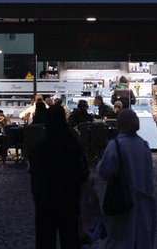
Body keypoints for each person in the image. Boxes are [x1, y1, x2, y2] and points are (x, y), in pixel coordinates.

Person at [29, 104, 90, 248]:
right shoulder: (72, 144)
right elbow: (82, 172)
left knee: (45, 239)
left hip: (45, 199)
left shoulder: (40, 147)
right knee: (70, 238)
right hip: (69, 198)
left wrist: (38, 197)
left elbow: (34, 175)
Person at [97, 108, 156, 249]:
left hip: (122, 201)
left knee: (119, 238)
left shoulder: (115, 145)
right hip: (144, 202)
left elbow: (105, 171)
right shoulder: (143, 145)